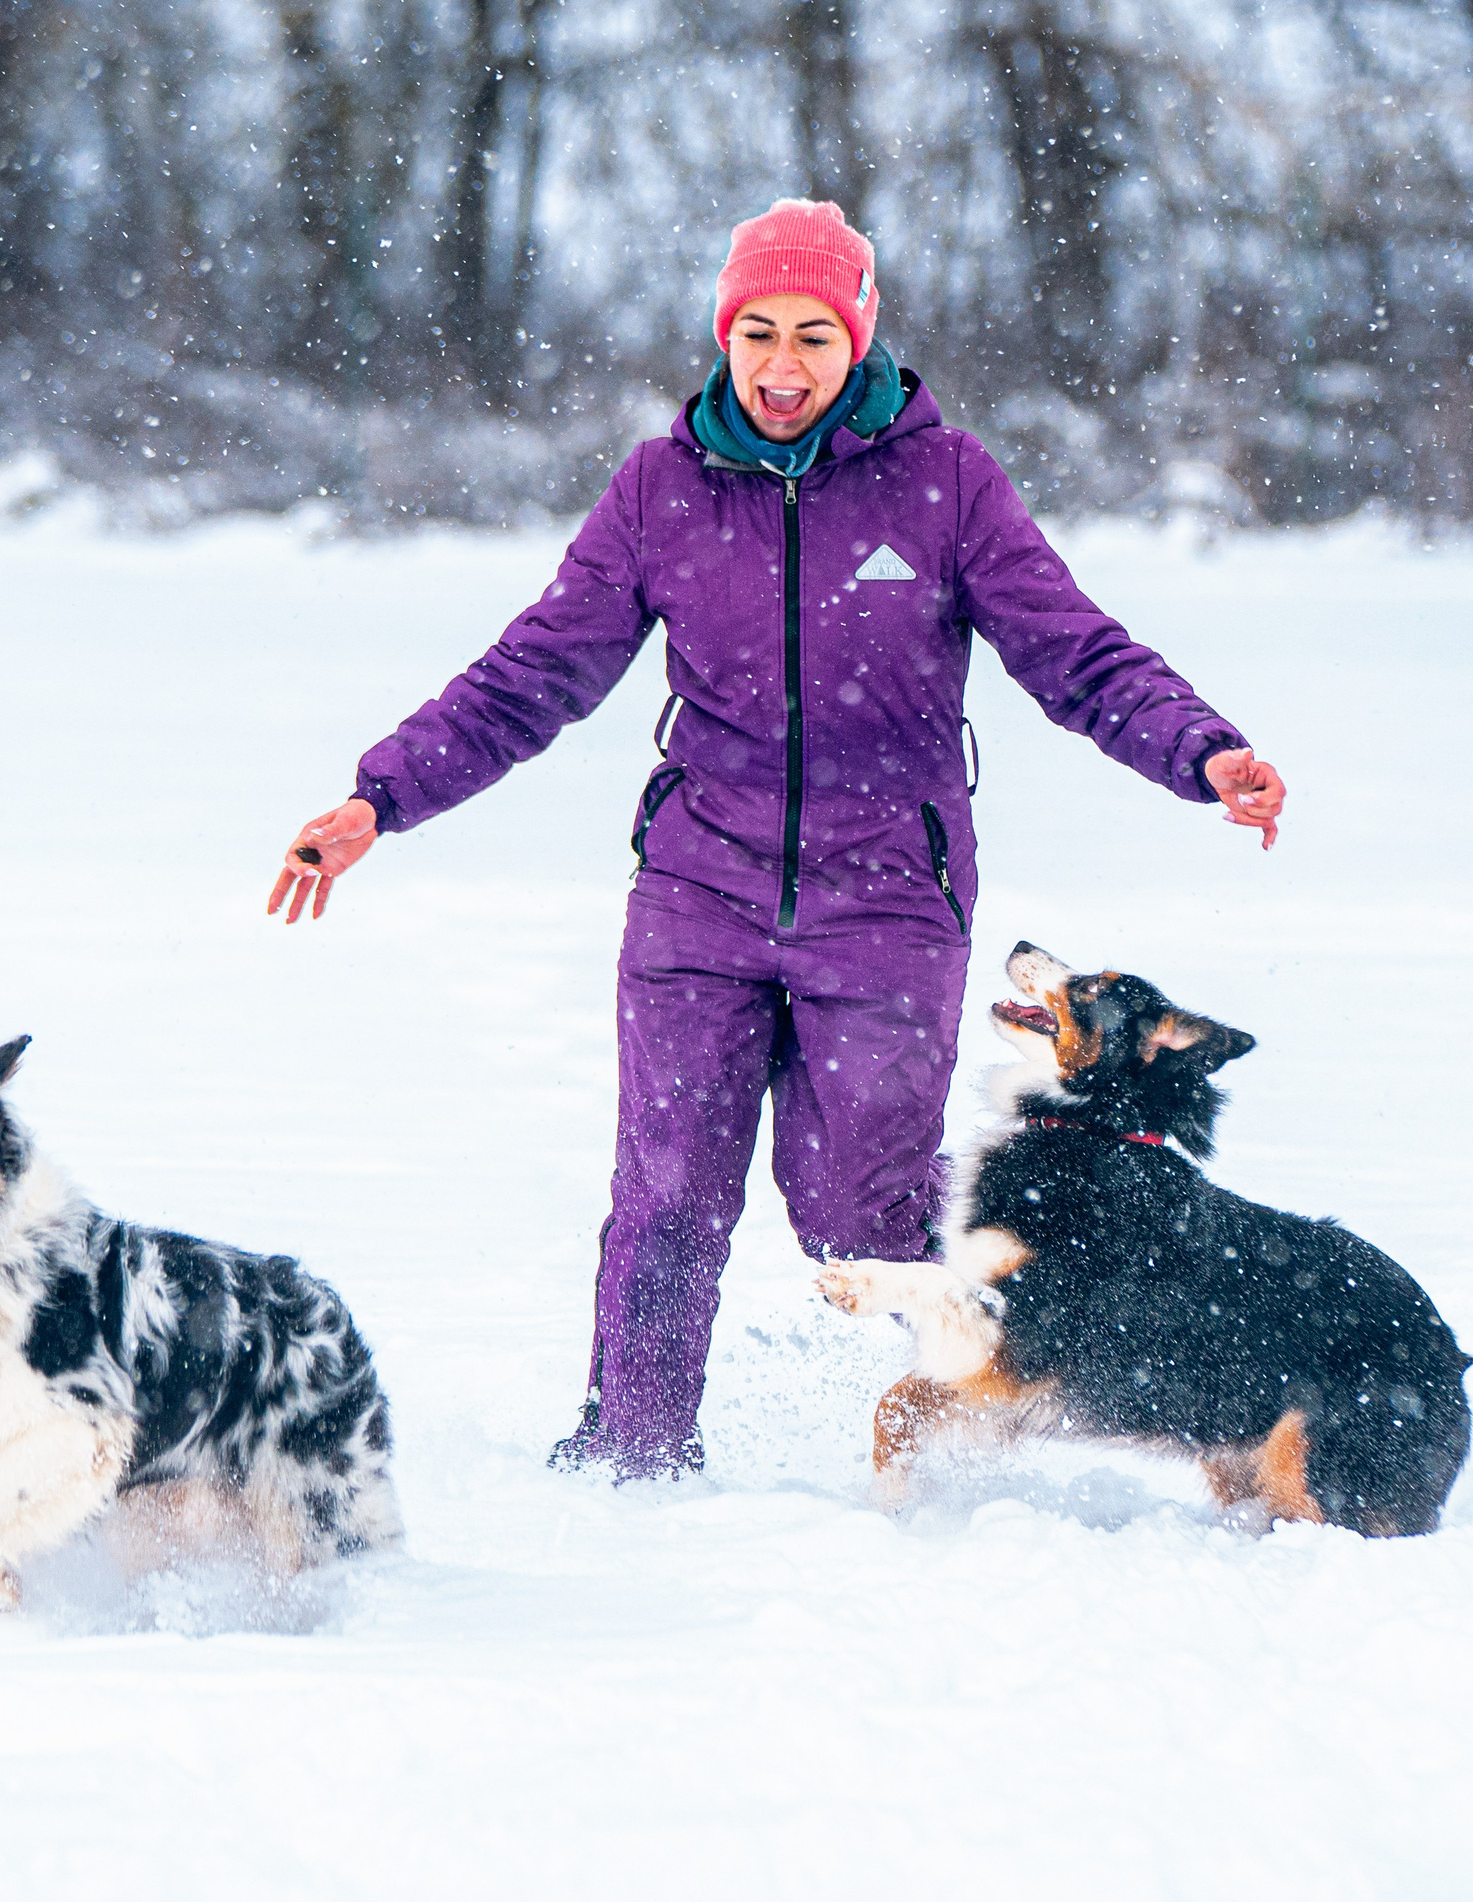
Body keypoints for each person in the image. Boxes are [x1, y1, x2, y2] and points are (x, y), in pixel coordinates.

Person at [268, 198, 1286, 1481]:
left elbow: (1073, 651)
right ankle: (632, 1455)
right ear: (725, 336)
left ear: (859, 338)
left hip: (890, 896)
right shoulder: (662, 491)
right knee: (667, 1190)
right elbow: (533, 672)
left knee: (860, 1210)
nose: (784, 364)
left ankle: (1026, 1344)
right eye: (758, 333)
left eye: (814, 334)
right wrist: (381, 796)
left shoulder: (945, 483)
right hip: (700, 887)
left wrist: (1201, 751)